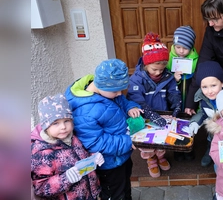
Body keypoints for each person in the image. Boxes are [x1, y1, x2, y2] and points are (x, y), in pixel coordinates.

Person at [65, 59, 143, 200]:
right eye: (116, 90)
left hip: (122, 156)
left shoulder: (108, 92)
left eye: (121, 89)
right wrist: (126, 142)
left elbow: (122, 101)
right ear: (101, 85)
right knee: (114, 194)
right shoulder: (85, 111)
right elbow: (95, 142)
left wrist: (130, 106)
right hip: (109, 164)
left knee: (125, 189)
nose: (120, 93)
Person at [127, 32, 181, 177]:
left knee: (161, 139)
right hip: (145, 117)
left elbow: (173, 92)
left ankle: (161, 155)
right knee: (147, 143)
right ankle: (151, 159)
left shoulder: (167, 76)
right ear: (146, 64)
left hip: (163, 112)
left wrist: (176, 105)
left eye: (161, 69)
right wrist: (150, 114)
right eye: (154, 69)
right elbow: (136, 99)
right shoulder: (137, 79)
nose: (158, 72)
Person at [31, 93, 104, 199]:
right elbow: (40, 188)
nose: (63, 127)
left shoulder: (73, 137)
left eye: (66, 121)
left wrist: (93, 157)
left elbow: (82, 157)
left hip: (89, 194)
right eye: (55, 123)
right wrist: (66, 179)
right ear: (45, 126)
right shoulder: (42, 152)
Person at [166, 25, 199, 111]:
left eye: (185, 48)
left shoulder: (196, 60)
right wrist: (174, 79)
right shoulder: (168, 58)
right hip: (174, 94)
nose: (181, 51)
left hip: (190, 91)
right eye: (178, 47)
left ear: (191, 47)